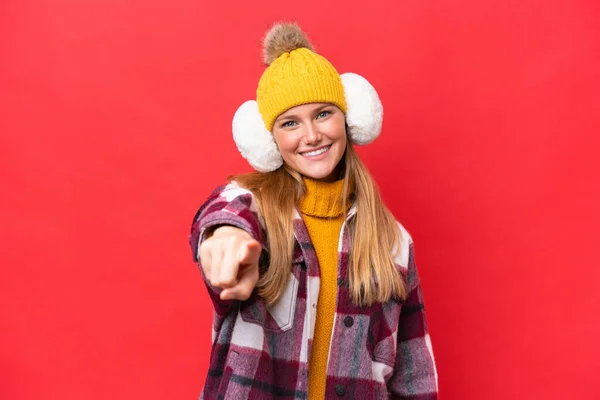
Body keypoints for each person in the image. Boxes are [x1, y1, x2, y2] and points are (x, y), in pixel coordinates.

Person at [189, 22, 438, 399]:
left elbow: (414, 373)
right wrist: (225, 236)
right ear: (269, 140)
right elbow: (225, 212)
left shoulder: (394, 242)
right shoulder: (251, 207)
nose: (311, 136)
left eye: (323, 114)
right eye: (290, 123)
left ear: (350, 119)